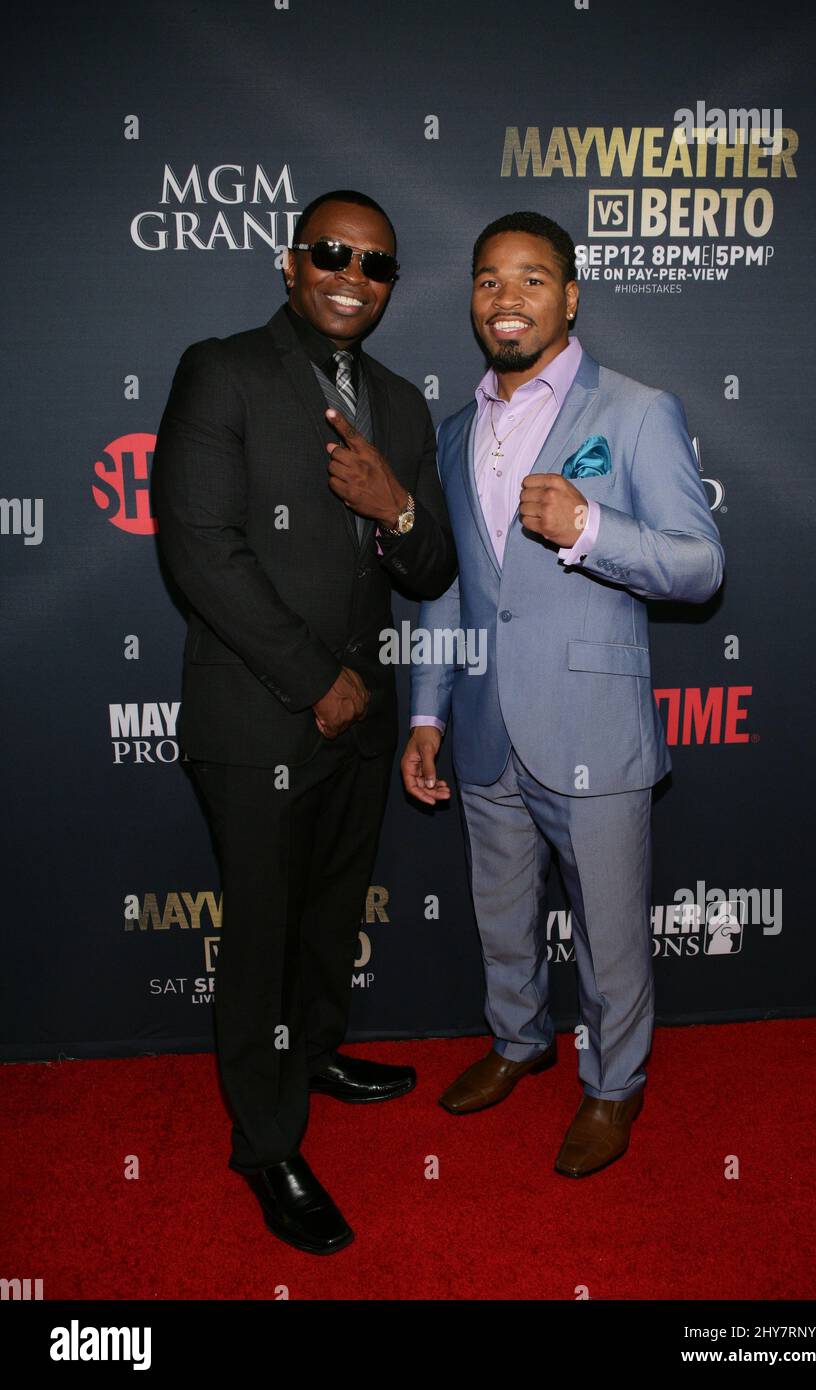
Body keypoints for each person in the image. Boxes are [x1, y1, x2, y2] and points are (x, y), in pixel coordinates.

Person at [151, 189, 457, 1253]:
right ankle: (266, 1142)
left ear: (386, 287)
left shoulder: (402, 404)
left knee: (331, 914)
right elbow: (198, 548)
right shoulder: (222, 369)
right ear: (291, 263)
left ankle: (314, 1048)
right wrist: (312, 677)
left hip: (362, 717)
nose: (350, 274)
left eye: (374, 264)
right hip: (258, 715)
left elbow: (432, 563)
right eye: (331, 252)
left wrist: (397, 507)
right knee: (264, 929)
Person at [401, 210, 724, 1178]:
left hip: (591, 724)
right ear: (471, 300)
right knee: (499, 911)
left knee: (609, 933)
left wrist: (591, 528)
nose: (508, 298)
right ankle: (516, 1041)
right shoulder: (457, 430)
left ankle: (612, 1083)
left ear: (569, 296)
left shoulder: (633, 410)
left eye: (532, 278)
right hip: (482, 724)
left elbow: (700, 565)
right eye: (489, 279)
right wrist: (424, 711)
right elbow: (449, 584)